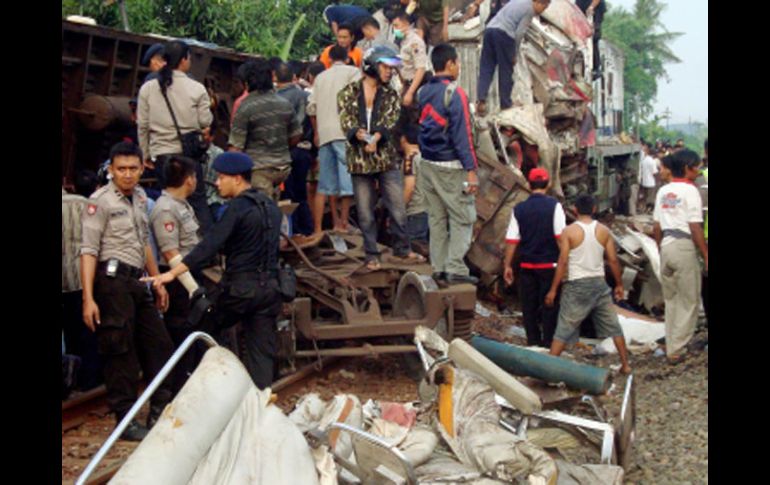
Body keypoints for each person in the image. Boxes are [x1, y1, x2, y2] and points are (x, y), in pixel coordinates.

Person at [144, 152, 284, 389]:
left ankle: (203, 388)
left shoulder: (237, 208)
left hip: (241, 290)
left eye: (221, 178)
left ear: (237, 179)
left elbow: (209, 245)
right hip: (270, 290)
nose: (217, 183)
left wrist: (171, 273)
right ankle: (261, 397)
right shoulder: (270, 206)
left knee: (199, 328)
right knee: (261, 351)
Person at [80, 141, 175, 441]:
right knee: (120, 350)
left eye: (133, 168)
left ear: (142, 168)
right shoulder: (100, 202)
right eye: (121, 169)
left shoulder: (141, 198)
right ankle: (126, 419)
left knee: (158, 344)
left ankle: (159, 408)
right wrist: (88, 298)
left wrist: (156, 280)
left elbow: (144, 242)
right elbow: (88, 251)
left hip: (137, 280)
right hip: (112, 283)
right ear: (111, 170)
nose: (127, 174)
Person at [338, 46, 426, 270]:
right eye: (385, 66)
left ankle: (403, 249)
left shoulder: (391, 95)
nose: (389, 71)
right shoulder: (347, 93)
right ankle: (371, 254)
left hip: (386, 158)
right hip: (359, 160)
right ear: (371, 66)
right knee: (365, 211)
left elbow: (389, 121)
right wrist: (362, 137)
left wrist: (375, 138)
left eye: (391, 68)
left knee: (397, 206)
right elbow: (347, 122)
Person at [545, 194, 632, 374]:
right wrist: (619, 285)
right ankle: (625, 365)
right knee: (614, 327)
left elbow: (562, 262)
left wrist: (553, 289)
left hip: (576, 285)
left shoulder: (569, 231)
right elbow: (613, 260)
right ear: (594, 209)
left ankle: (547, 368)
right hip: (599, 284)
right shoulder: (603, 231)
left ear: (575, 210)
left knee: (563, 329)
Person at [417, 44, 479, 285]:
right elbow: (463, 136)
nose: (459, 67)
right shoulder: (455, 93)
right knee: (463, 216)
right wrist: (471, 170)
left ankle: (439, 267)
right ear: (450, 64)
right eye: (458, 63)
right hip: (451, 166)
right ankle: (455, 268)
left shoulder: (423, 92)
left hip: (427, 164)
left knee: (436, 218)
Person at [137, 40, 214, 233]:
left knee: (168, 202)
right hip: (189, 155)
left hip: (162, 156)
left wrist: (145, 154)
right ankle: (205, 245)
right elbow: (205, 121)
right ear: (184, 60)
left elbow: (143, 125)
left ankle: (170, 242)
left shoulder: (148, 88)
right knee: (198, 203)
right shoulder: (197, 88)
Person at [149, 156, 202, 394]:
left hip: (188, 274)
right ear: (189, 179)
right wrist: (192, 288)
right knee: (181, 332)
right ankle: (180, 389)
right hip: (178, 280)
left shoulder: (182, 205)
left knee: (194, 331)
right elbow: (170, 252)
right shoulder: (166, 209)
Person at [653, 150, 708, 364]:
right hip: (683, 246)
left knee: (672, 300)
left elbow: (657, 226)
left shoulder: (663, 191)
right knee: (689, 300)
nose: (698, 171)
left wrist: (660, 249)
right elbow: (695, 226)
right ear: (686, 168)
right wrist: (705, 254)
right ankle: (677, 348)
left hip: (666, 245)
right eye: (696, 167)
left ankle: (671, 343)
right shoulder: (690, 190)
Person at [503, 167, 566, 347]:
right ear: (548, 184)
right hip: (549, 267)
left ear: (529, 185)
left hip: (527, 267)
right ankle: (548, 344)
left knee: (528, 308)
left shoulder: (519, 209)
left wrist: (507, 266)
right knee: (549, 306)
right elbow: (560, 239)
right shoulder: (555, 207)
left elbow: (512, 240)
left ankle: (533, 342)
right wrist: (565, 264)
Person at [228, 58, 302, 200]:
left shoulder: (246, 107)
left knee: (262, 208)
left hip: (258, 169)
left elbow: (235, 148)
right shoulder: (284, 103)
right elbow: (296, 135)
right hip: (283, 167)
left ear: (247, 83)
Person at [307, 46, 360, 235]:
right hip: (344, 133)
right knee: (346, 184)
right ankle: (343, 224)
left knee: (324, 184)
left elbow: (311, 108)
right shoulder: (353, 72)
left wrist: (316, 133)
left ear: (328, 60)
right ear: (347, 58)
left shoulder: (320, 78)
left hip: (324, 134)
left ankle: (318, 228)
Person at [63, 171, 103, 392]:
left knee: (69, 332)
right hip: (85, 279)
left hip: (64, 281)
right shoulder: (89, 206)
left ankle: (71, 379)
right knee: (88, 330)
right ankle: (89, 380)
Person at [476, 0, 551, 116]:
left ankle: (481, 99)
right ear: (539, 3)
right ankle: (505, 104)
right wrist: (514, 52)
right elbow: (519, 33)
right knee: (506, 70)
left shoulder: (518, 1)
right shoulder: (530, 9)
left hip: (490, 30)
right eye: (544, 8)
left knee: (486, 67)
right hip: (504, 34)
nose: (542, 12)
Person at [275, 62, 315, 235]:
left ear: (275, 77)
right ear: (293, 77)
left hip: (282, 152)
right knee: (301, 192)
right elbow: (312, 123)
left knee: (287, 194)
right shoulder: (305, 96)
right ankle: (307, 229)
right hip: (303, 150)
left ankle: (292, 230)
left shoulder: (273, 99)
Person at [392, 11, 428, 109]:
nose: (395, 29)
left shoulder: (415, 42)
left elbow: (420, 69)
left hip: (415, 85)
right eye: (393, 26)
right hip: (406, 84)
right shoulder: (403, 41)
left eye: (397, 26)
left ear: (406, 24)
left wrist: (410, 92)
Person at [575, 0, 606, 79]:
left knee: (593, 37)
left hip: (595, 8)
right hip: (581, 6)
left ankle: (596, 67)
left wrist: (592, 6)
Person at [637, 142, 659, 214]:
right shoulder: (652, 161)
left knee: (644, 197)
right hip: (651, 182)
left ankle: (642, 209)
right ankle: (648, 210)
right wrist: (657, 180)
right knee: (650, 198)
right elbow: (654, 172)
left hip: (644, 182)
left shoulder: (644, 161)